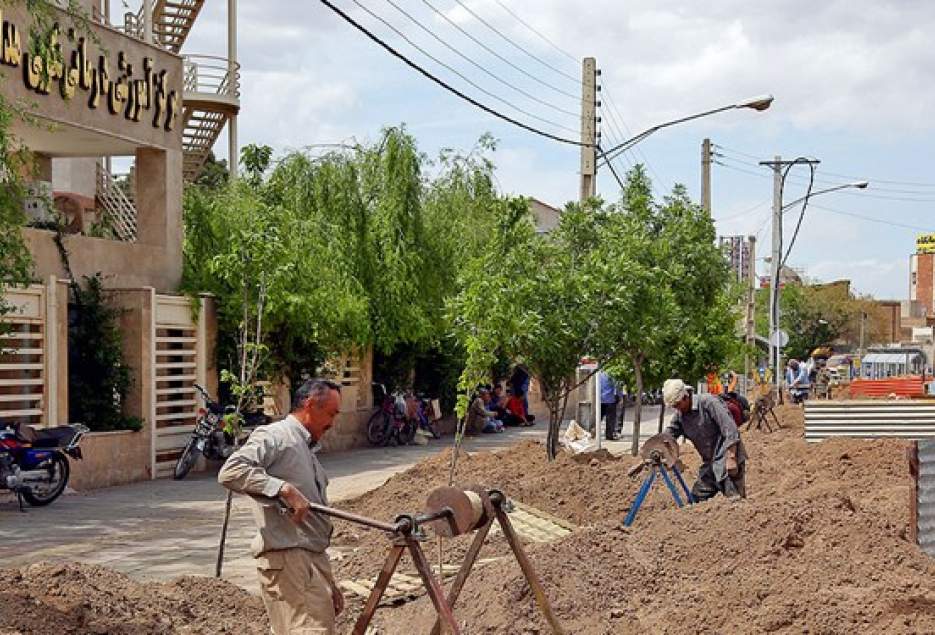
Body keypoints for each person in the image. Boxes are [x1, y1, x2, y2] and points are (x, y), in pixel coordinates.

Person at [218, 378, 345, 635]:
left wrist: (328, 581)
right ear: (310, 404)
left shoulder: (304, 447)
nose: (332, 422)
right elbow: (231, 471)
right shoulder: (276, 435)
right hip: (288, 560)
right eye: (330, 414)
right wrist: (281, 488)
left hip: (309, 559)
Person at [662, 378, 747, 502]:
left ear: (686, 397)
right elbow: (670, 433)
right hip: (710, 464)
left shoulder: (709, 403)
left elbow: (731, 430)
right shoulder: (681, 415)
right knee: (695, 499)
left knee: (734, 501)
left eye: (677, 405)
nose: (677, 409)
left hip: (727, 459)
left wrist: (731, 457)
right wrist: (659, 445)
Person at [598, 370, 620, 441]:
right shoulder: (612, 374)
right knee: (610, 419)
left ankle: (594, 432)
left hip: (600, 400)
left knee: (598, 418)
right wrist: (619, 396)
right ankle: (609, 435)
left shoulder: (599, 374)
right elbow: (617, 386)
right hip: (610, 400)